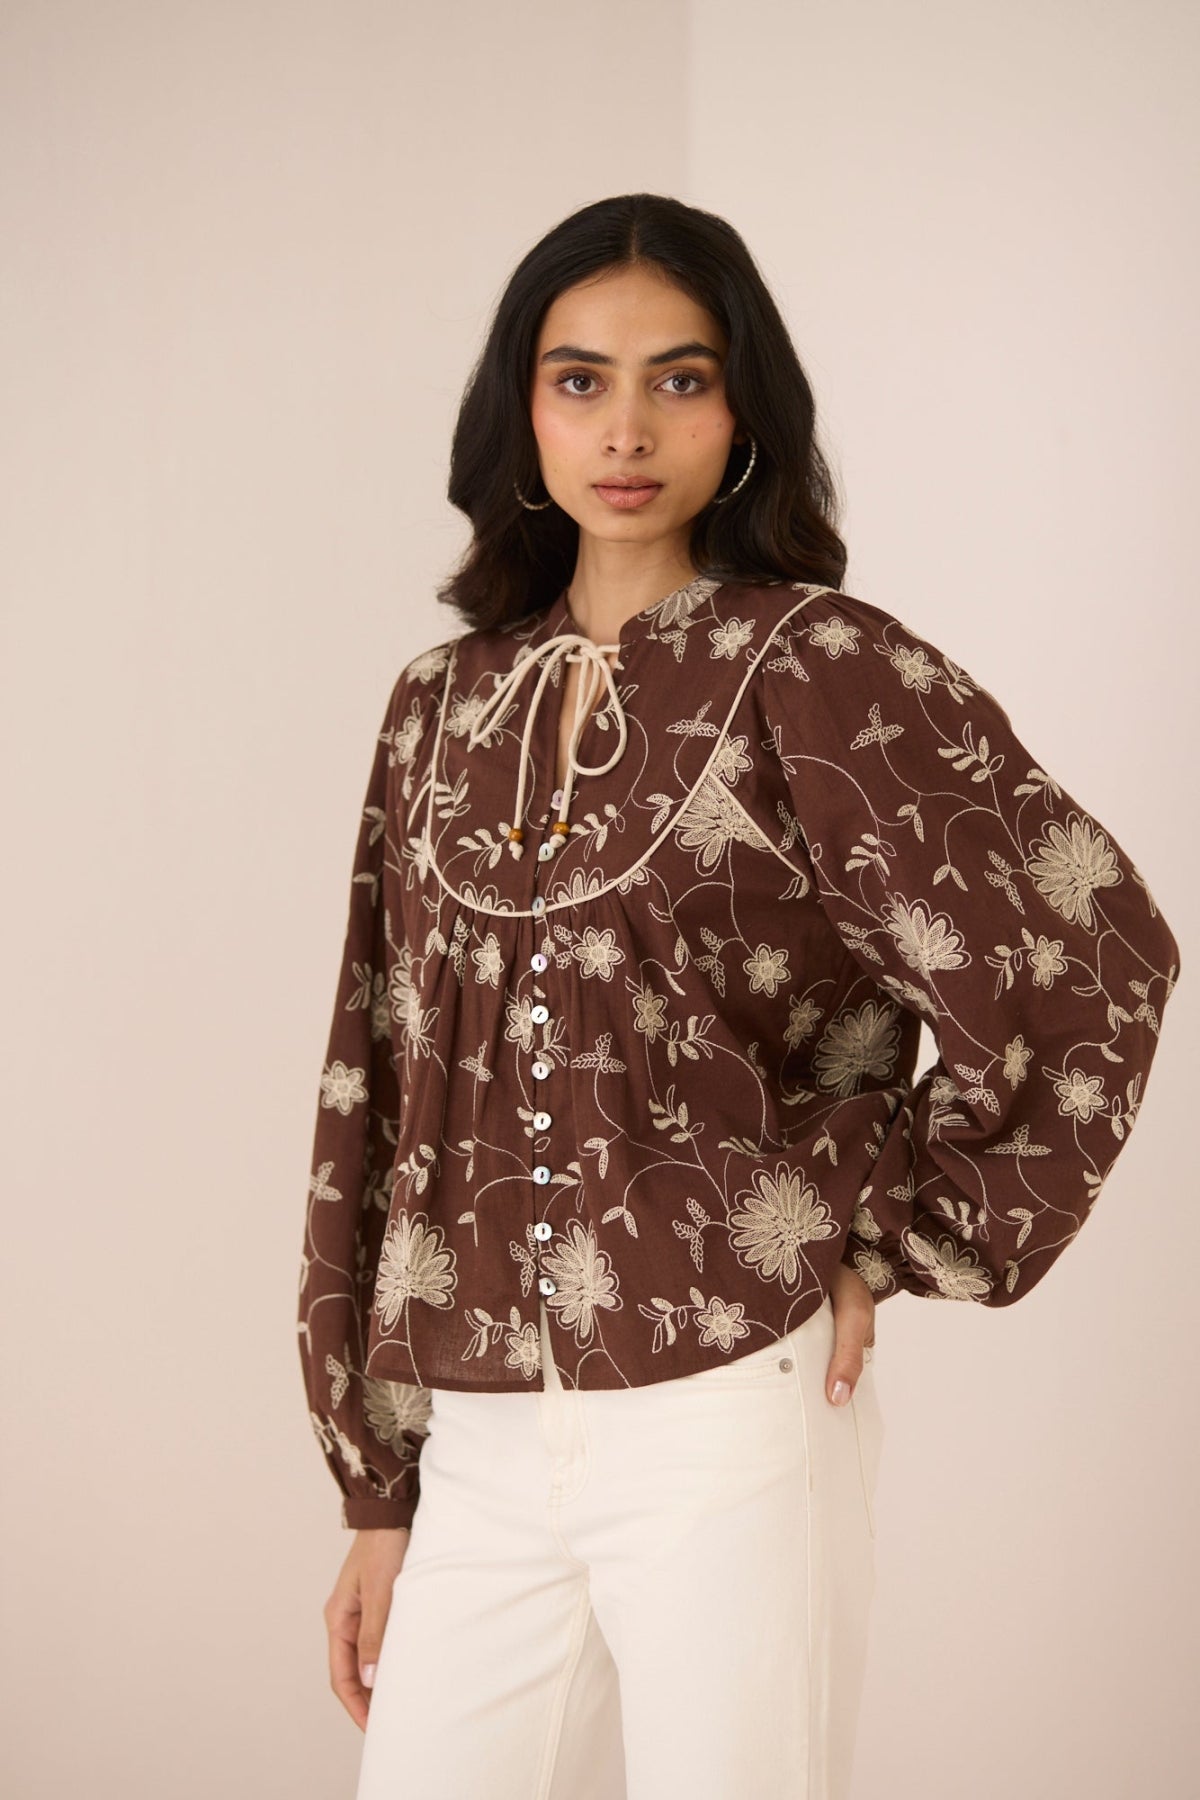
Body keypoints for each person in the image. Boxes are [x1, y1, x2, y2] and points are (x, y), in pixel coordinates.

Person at [297, 193, 1181, 1799]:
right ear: (522, 412)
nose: (626, 425)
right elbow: (378, 1071)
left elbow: (1088, 954)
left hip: (726, 1410)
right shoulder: (438, 705)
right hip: (482, 1434)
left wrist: (891, 1236)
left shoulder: (820, 665)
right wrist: (378, 1482)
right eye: (580, 380)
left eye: (679, 379)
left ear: (744, 412)